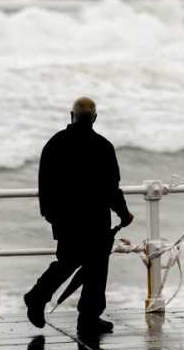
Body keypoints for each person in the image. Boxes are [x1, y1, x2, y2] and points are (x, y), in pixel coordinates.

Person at [24, 97, 134, 333]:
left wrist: (50, 215)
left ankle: (39, 296)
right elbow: (112, 189)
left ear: (70, 115)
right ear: (95, 118)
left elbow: (45, 184)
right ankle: (86, 317)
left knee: (68, 261)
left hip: (65, 219)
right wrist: (124, 214)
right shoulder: (103, 146)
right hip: (96, 218)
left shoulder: (55, 144)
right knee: (96, 268)